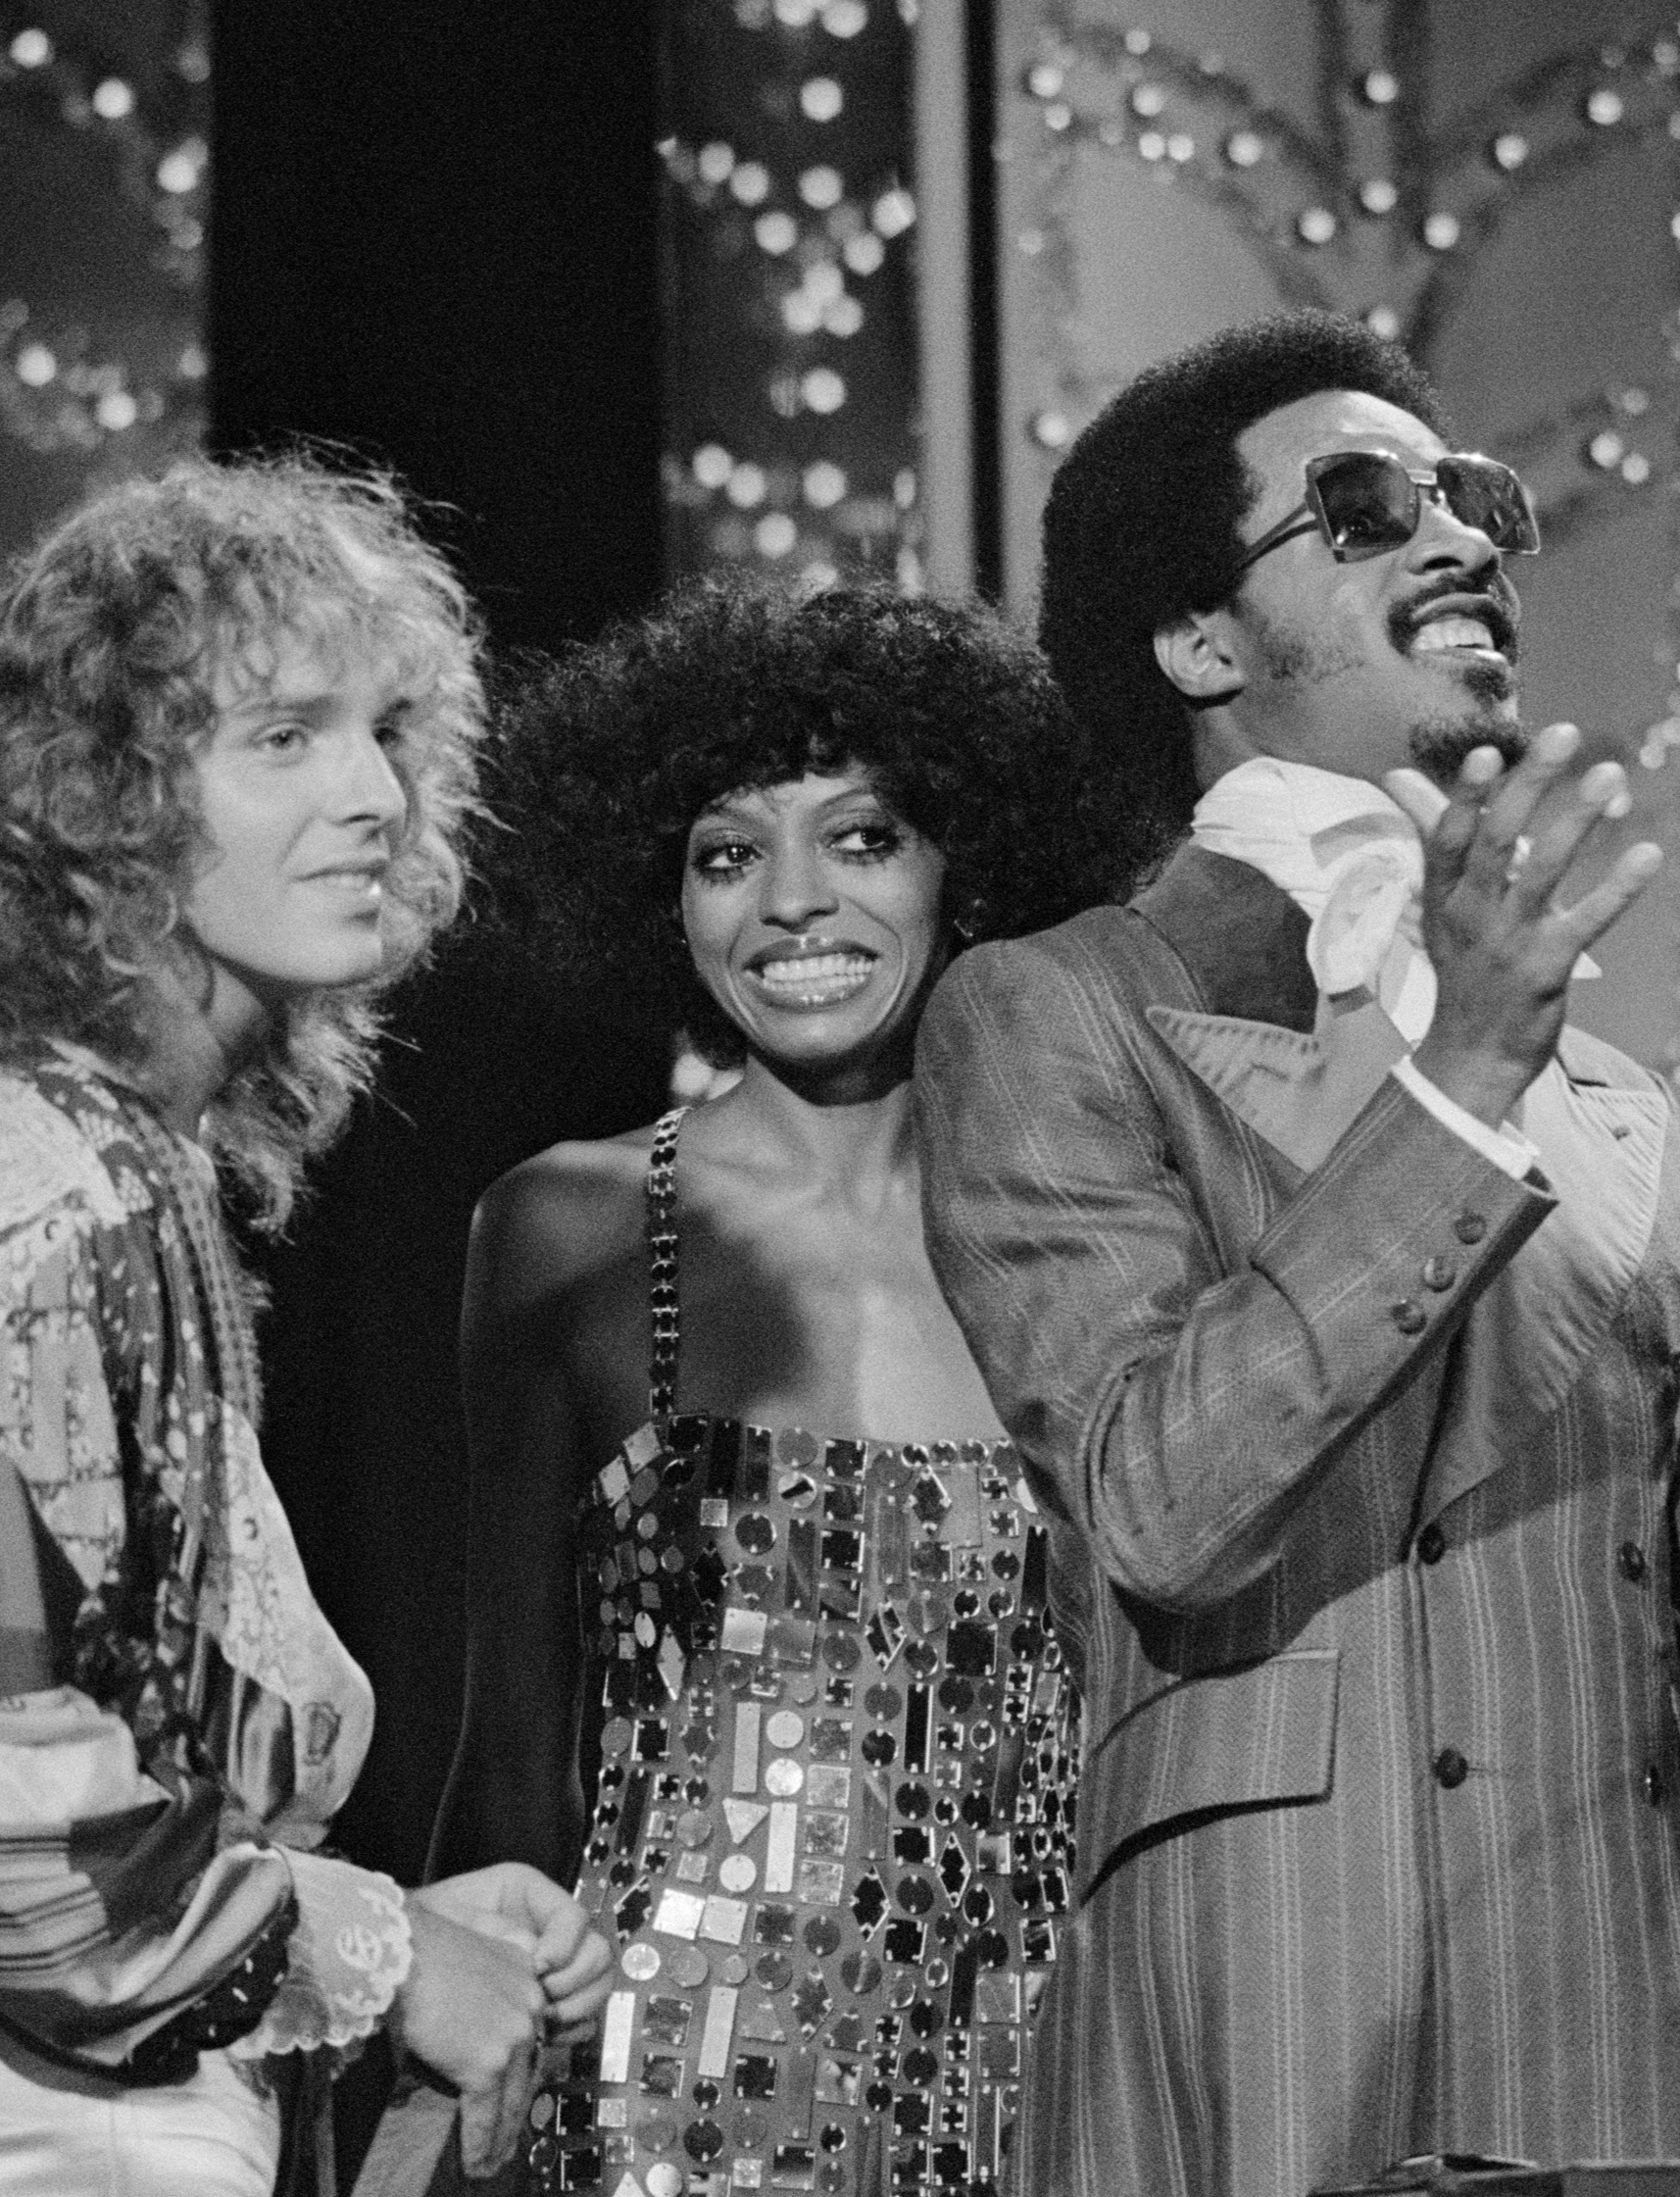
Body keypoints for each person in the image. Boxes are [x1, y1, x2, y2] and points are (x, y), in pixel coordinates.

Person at [912, 310, 1680, 2191]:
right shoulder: (1059, 1008)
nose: (1457, 538)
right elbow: (1160, 1501)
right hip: (1272, 2007)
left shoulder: (1599, 1087)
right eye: (1362, 508)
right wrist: (1457, 1084)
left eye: (1474, 499)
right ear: (1201, 642)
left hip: (1614, 2019)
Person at [0, 457, 611, 2197]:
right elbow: (5, 1834)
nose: (370, 791)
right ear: (100, 806)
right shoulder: (29, 1175)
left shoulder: (116, 1167)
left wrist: (393, 1919)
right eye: (281, 736)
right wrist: (386, 1958)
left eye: (383, 731)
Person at [428, 579, 1153, 2196]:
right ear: (663, 898)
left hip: (1048, 2074)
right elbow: (513, 1759)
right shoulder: (567, 1227)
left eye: (863, 837)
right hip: (662, 2098)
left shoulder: (1098, 1236)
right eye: (729, 851)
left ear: (969, 863)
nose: (793, 905)